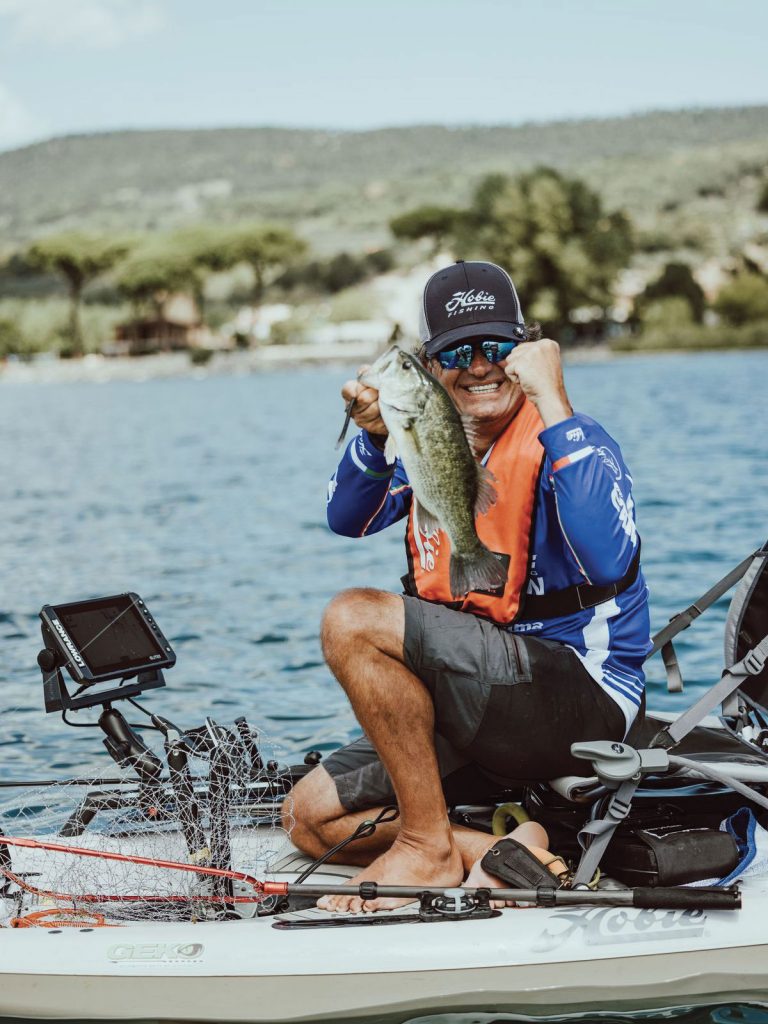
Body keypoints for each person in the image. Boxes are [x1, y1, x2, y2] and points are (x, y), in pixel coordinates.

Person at [285, 260, 651, 913]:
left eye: (496, 348)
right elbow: (347, 519)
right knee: (309, 818)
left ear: (526, 350)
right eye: (457, 353)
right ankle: (500, 850)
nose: (479, 366)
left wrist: (553, 400)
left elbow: (603, 558)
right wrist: (373, 439)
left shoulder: (573, 438)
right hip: (481, 699)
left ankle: (424, 846)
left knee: (353, 619)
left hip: (582, 697)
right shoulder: (434, 441)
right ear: (431, 366)